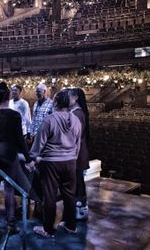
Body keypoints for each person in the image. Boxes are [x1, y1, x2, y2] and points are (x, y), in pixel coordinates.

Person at [27, 90, 82, 238]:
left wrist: (32, 158)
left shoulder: (49, 120)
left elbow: (38, 144)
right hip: (70, 162)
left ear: (56, 102)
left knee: (49, 196)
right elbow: (78, 143)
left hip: (51, 163)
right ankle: (71, 226)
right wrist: (73, 158)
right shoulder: (76, 120)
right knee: (70, 195)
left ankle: (48, 229)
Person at [0, 82, 33, 233]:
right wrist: (28, 158)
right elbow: (19, 138)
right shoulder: (14, 115)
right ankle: (10, 224)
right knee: (9, 188)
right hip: (9, 155)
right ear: (8, 98)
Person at [68, 88, 90, 221]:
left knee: (78, 183)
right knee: (76, 181)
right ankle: (77, 209)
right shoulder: (76, 113)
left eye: (69, 97)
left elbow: (75, 135)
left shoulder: (77, 114)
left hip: (77, 152)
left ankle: (80, 210)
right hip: (77, 151)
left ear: (75, 98)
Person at [27, 83, 53, 147]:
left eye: (39, 92)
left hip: (45, 136)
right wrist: (30, 132)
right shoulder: (36, 103)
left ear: (44, 91)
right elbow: (34, 119)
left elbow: (53, 121)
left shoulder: (51, 104)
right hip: (35, 135)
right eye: (36, 92)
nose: (37, 94)